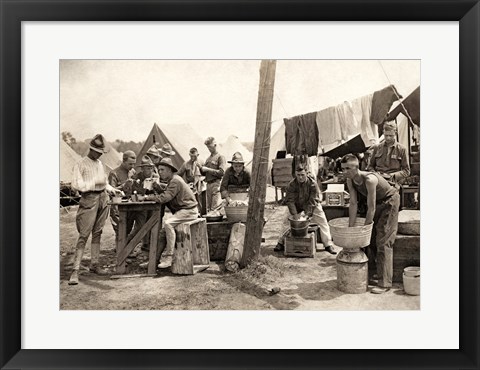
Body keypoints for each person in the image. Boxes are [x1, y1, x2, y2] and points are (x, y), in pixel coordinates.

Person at [341, 153, 400, 294]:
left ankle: (385, 283)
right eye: (343, 168)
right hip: (377, 204)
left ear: (356, 168)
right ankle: (375, 274)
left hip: (389, 202)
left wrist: (365, 229)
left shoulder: (369, 179)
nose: (344, 172)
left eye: (347, 169)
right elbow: (353, 204)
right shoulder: (350, 181)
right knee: (371, 241)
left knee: (383, 241)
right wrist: (351, 228)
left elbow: (371, 207)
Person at [68, 134, 121, 285]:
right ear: (91, 149)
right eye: (97, 152)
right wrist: (94, 184)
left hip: (102, 198)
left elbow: (104, 183)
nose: (99, 155)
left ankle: (95, 264)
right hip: (89, 199)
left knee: (98, 232)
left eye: (100, 152)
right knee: (84, 234)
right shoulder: (80, 164)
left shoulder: (99, 164)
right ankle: (75, 270)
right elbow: (76, 185)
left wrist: (112, 189)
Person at [145, 158, 199, 269]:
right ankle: (153, 261)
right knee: (162, 233)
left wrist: (146, 197)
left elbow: (165, 197)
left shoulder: (175, 180)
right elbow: (167, 192)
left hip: (190, 211)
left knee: (168, 223)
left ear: (170, 170)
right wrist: (158, 187)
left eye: (162, 170)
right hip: (184, 211)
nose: (160, 172)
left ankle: (169, 257)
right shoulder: (172, 180)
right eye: (159, 170)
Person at [274, 164, 337, 255]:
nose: (300, 177)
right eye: (298, 175)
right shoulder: (291, 185)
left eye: (302, 175)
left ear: (307, 174)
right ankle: (281, 243)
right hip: (297, 206)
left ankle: (328, 245)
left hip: (312, 205)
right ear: (295, 174)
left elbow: (313, 200)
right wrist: (295, 215)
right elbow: (290, 201)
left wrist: (307, 214)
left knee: (323, 221)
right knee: (289, 222)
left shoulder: (312, 184)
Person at [108, 150, 137, 242]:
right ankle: (120, 251)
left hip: (129, 205)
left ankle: (123, 249)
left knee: (128, 228)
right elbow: (111, 191)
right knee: (119, 229)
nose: (132, 166)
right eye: (130, 164)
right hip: (117, 206)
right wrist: (123, 186)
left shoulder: (132, 172)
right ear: (123, 161)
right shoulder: (114, 173)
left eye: (133, 164)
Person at [177, 147, 206, 214]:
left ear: (198, 155)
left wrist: (201, 170)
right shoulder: (186, 164)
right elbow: (179, 174)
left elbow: (205, 173)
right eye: (191, 156)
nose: (193, 158)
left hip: (200, 186)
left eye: (194, 156)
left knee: (201, 202)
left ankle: (202, 215)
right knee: (192, 202)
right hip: (191, 186)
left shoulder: (201, 162)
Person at [202, 137, 226, 212]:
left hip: (216, 183)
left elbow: (222, 172)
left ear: (215, 145)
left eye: (210, 147)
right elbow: (204, 173)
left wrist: (207, 169)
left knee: (215, 208)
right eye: (208, 147)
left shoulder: (220, 157)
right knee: (209, 209)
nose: (209, 149)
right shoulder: (208, 158)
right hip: (208, 184)